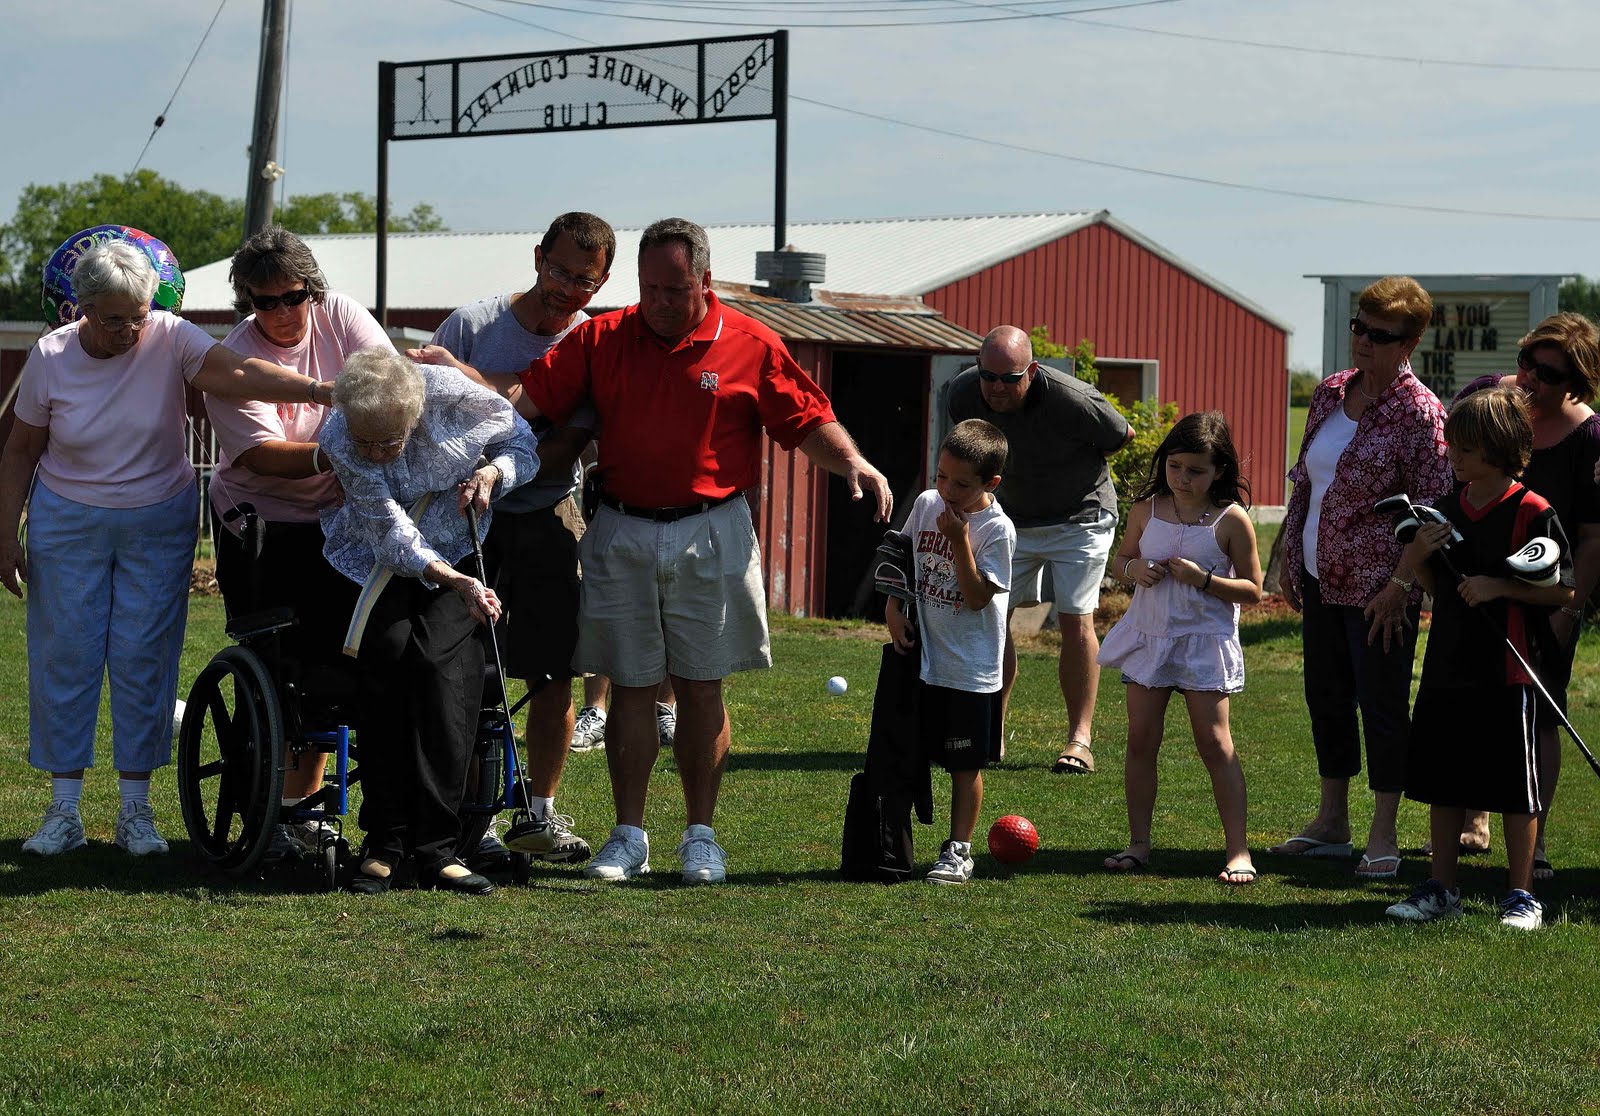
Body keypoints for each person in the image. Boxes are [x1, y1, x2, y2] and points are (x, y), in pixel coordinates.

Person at [411, 216, 893, 885]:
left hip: (711, 528)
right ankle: (628, 836)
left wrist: (853, 463)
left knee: (700, 686)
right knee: (631, 685)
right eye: (649, 289)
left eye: (674, 289)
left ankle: (701, 837)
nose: (659, 302)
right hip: (623, 526)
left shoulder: (750, 342)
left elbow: (807, 419)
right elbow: (523, 397)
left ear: (705, 279)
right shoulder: (602, 337)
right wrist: (459, 374)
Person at [1, 240, 344, 857]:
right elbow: (21, 449)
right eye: (115, 319)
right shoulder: (50, 356)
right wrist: (4, 534)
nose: (131, 330)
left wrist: (319, 392)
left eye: (138, 316)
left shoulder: (170, 334)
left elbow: (238, 373)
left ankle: (137, 811)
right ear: (82, 309)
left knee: (145, 658)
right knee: (65, 656)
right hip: (68, 519)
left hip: (158, 519)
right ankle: (62, 811)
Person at [430, 210, 615, 869]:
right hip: (460, 516)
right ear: (538, 258)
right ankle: (462, 812)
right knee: (460, 667)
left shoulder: (591, 342)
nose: (569, 289)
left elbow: (570, 442)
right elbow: (429, 405)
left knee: (552, 669)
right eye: (560, 271)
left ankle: (538, 812)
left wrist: (505, 465)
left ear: (602, 283)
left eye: (585, 281)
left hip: (547, 512)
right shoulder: (473, 326)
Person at [204, 225, 394, 858]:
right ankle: (277, 809)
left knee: (340, 660)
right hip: (262, 523)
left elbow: (384, 384)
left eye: (292, 297)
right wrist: (342, 454)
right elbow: (262, 456)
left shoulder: (342, 316)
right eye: (265, 302)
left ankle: (313, 809)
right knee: (283, 665)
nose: (281, 312)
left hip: (342, 518)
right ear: (248, 302)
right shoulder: (233, 359)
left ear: (313, 289)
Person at [319, 348, 536, 895]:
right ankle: (385, 842)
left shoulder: (451, 395)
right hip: (379, 562)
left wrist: (493, 473)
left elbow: (523, 445)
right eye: (366, 443)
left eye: (388, 442)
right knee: (387, 655)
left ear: (414, 416)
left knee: (440, 669)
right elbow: (388, 530)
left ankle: (440, 848)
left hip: (461, 548)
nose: (375, 453)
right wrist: (452, 580)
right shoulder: (341, 434)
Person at [1272, 277, 1453, 880]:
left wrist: (1401, 586)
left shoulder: (1421, 413)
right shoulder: (1330, 393)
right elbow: (1307, 481)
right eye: (1360, 327)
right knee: (1325, 698)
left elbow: (1433, 515)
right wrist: (1289, 555)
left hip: (1380, 590)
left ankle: (1383, 831)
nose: (1364, 341)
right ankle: (1332, 821)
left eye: (1381, 334)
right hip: (1319, 576)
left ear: (1410, 343)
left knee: (1381, 706)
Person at [1384, 388, 1572, 930]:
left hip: (1510, 670)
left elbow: (1563, 591)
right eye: (1452, 446)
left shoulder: (1533, 510)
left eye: (1464, 449)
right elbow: (1439, 589)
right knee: (1445, 780)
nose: (1453, 456)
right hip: (1449, 665)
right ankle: (1442, 888)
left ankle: (1522, 894)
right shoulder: (1445, 509)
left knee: (1515, 788)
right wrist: (1420, 556)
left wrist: (1498, 586)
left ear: (1498, 448)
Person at [1448, 312, 1600, 879]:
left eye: (1548, 373)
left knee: (1539, 717)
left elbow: (1591, 539)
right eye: (1526, 362)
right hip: (1475, 590)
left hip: (1545, 600)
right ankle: (1476, 817)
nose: (1529, 378)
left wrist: (1568, 609)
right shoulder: (1487, 397)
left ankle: (1533, 841)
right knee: (1471, 707)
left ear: (1577, 384)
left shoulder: (1589, 438)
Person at [946, 325, 1133, 775]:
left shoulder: (1073, 399)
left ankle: (1079, 741)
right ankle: (991, 731)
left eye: (1009, 379)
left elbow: (1122, 434)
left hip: (1081, 515)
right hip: (1014, 518)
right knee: (993, 618)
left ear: (1031, 371)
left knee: (1075, 618)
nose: (996, 387)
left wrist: (1064, 468)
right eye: (988, 376)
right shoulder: (963, 393)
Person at [1098, 412, 1264, 884]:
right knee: (1140, 740)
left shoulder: (1231, 520)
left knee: (1214, 743)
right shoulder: (1146, 508)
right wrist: (1132, 570)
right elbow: (1120, 559)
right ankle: (1138, 844)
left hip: (1204, 644)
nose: (1182, 479)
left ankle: (1238, 851)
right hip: (1149, 638)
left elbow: (1253, 590)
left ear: (1219, 471)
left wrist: (1204, 579)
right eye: (1175, 466)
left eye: (1195, 470)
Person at [886, 419, 1016, 884]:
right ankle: (891, 844)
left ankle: (958, 850)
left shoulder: (997, 529)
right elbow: (902, 556)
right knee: (904, 755)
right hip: (922, 660)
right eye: (941, 476)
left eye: (961, 484)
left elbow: (978, 598)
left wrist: (960, 540)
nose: (947, 490)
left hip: (969, 670)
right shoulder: (926, 503)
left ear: (990, 483)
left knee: (964, 765)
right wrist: (893, 607)